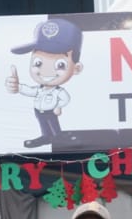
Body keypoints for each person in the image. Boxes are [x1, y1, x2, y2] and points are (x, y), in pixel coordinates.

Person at [6, 18, 85, 148]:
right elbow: (30, 91)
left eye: (60, 65)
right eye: (38, 63)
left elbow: (65, 99)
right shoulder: (40, 89)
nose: (46, 71)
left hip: (51, 110)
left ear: (76, 68)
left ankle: (58, 136)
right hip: (39, 110)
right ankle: (46, 136)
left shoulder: (58, 91)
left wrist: (58, 106)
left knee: (53, 123)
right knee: (43, 123)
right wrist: (18, 87)